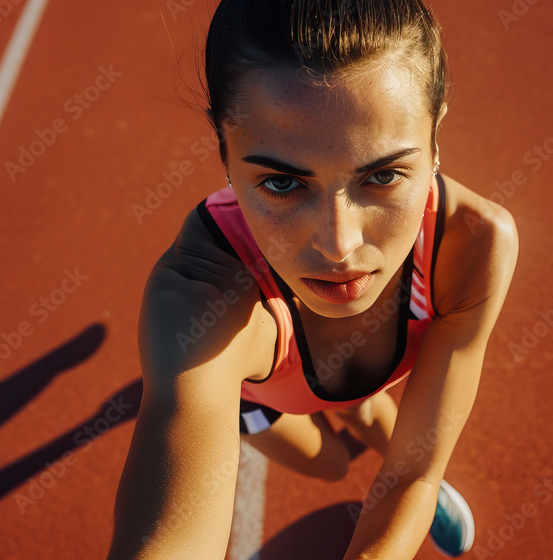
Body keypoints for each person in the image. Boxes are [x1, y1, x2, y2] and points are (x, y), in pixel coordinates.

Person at [106, 1, 518, 558]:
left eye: (384, 175)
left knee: (381, 425)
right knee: (327, 465)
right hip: (265, 395)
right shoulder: (199, 298)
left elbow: (416, 468)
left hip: (317, 378)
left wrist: (415, 487)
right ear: (223, 150)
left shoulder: (474, 244)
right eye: (281, 184)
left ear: (436, 135)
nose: (339, 245)